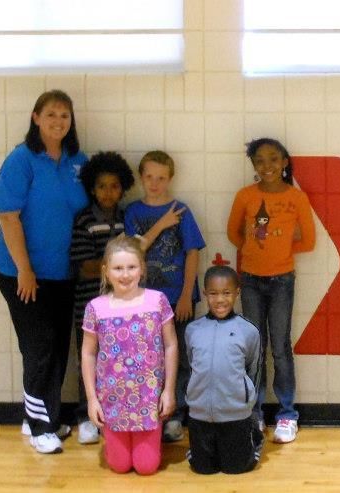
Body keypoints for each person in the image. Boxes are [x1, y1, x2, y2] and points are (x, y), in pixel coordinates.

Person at [0, 89, 88, 453]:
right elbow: (8, 216)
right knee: (39, 347)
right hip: (21, 272)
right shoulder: (21, 159)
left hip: (63, 273)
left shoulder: (77, 159)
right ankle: (38, 425)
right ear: (36, 117)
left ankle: (43, 415)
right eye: (51, 115)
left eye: (64, 115)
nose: (58, 122)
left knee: (58, 346)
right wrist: (25, 271)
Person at [227, 138, 316, 443]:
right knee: (254, 347)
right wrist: (255, 252)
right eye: (260, 160)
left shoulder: (296, 198)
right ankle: (254, 414)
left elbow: (309, 241)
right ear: (253, 165)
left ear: (284, 162)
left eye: (274, 159)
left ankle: (287, 414)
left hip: (282, 281)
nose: (267, 166)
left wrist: (279, 255)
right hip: (250, 280)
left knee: (280, 346)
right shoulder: (245, 196)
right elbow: (233, 233)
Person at [124, 150, 206, 442]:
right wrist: (161, 223)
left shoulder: (181, 210)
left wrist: (186, 295)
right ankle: (149, 412)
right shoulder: (133, 212)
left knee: (180, 358)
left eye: (161, 178)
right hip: (144, 301)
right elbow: (134, 250)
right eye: (149, 177)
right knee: (147, 359)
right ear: (141, 178)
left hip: (177, 298)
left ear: (170, 179)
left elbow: (192, 253)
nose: (155, 183)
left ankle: (176, 415)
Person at [79, 235, 178, 475]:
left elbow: (171, 345)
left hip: (148, 397)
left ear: (142, 269)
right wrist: (92, 399)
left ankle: (149, 441)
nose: (125, 274)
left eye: (131, 267)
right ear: (106, 272)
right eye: (118, 268)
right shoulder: (96, 307)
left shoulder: (157, 301)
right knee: (119, 466)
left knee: (146, 467)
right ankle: (117, 444)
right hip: (112, 399)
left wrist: (169, 390)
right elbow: (88, 353)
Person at [69, 151, 136, 445]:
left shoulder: (127, 218)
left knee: (120, 359)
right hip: (89, 304)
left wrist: (114, 267)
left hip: (124, 304)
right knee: (89, 358)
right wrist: (119, 266)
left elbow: (138, 259)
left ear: (123, 188)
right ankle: (86, 416)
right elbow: (85, 267)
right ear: (91, 189)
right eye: (101, 186)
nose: (108, 192)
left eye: (114, 186)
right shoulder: (83, 219)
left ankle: (117, 412)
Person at [185, 266, 263, 474]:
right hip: (200, 415)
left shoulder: (248, 331)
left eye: (226, 293)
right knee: (202, 469)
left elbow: (253, 369)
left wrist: (247, 402)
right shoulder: (193, 330)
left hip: (235, 415)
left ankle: (253, 437)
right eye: (213, 293)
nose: (220, 300)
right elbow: (192, 364)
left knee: (237, 468)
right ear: (205, 294)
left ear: (237, 293)